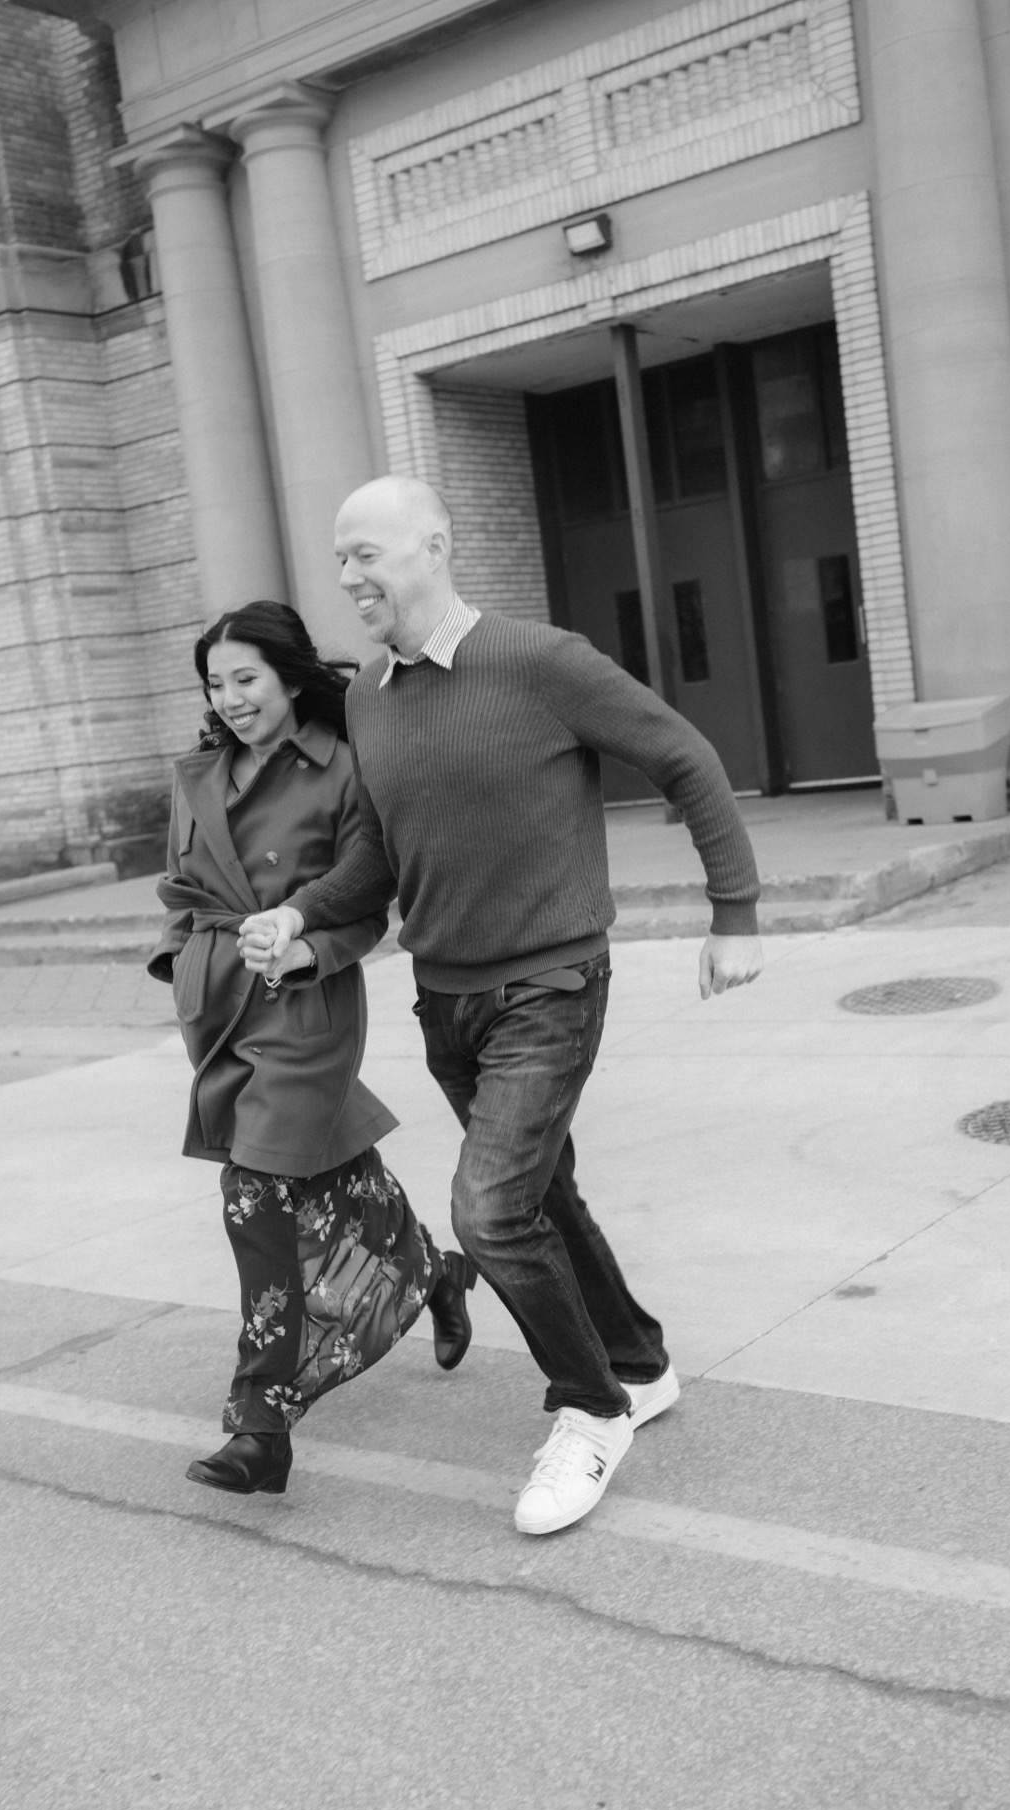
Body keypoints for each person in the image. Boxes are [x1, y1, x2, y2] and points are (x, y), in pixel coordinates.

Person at [239, 477, 764, 1535]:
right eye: (338, 559)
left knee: (487, 1211)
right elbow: (377, 860)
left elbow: (685, 758)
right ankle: (637, 1362)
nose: (348, 578)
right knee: (539, 1197)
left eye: (366, 554)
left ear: (433, 546)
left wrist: (734, 914)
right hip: (448, 1003)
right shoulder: (372, 699)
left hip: (552, 983)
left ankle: (588, 1409)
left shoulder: (540, 662)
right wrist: (299, 918)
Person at [147, 599, 478, 1497]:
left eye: (246, 678)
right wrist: (182, 960)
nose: (231, 697)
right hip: (218, 1004)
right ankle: (439, 1272)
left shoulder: (342, 772)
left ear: (291, 678)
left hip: (304, 1002)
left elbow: (370, 897)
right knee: (322, 1173)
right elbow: (180, 885)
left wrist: (307, 948)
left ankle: (260, 1424)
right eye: (216, 683)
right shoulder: (198, 774)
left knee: (254, 1197)